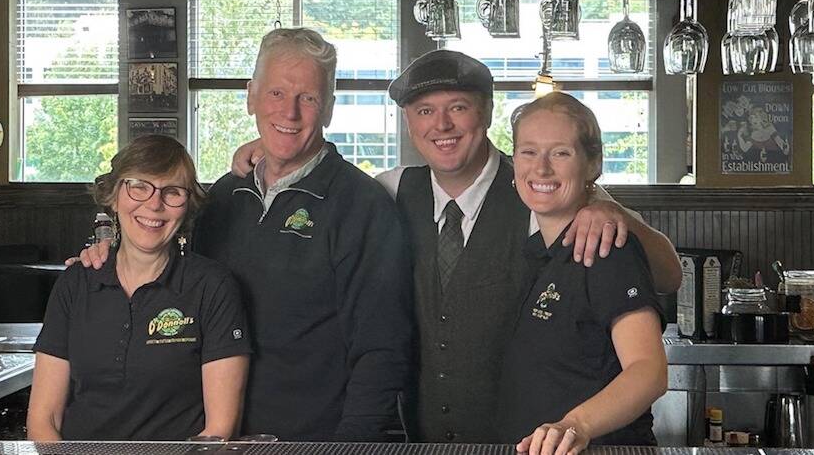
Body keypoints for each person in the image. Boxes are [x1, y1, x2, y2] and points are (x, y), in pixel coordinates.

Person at [231, 49, 680, 443]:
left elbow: (667, 275)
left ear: (485, 113)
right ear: (408, 121)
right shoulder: (388, 191)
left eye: (458, 108)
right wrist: (273, 146)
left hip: (528, 440)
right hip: (425, 439)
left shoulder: (536, 191)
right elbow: (323, 174)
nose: (441, 124)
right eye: (424, 111)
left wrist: (608, 209)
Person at [77, 28, 413, 442]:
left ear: (328, 108)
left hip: (311, 442)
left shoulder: (362, 206)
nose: (289, 112)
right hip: (208, 437)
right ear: (251, 95)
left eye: (307, 98)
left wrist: (348, 449)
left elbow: (382, 350)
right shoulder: (222, 197)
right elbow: (162, 271)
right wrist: (105, 257)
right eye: (275, 94)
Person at [29, 135, 251, 442]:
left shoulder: (212, 287)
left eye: (172, 191)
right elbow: (44, 419)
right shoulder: (76, 283)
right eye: (139, 186)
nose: (154, 204)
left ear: (186, 206)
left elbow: (218, 431)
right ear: (114, 196)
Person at [496, 93, 667, 455]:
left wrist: (576, 424)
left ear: (592, 165)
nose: (541, 168)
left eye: (561, 153)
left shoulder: (607, 247)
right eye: (528, 152)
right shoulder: (536, 251)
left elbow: (648, 370)